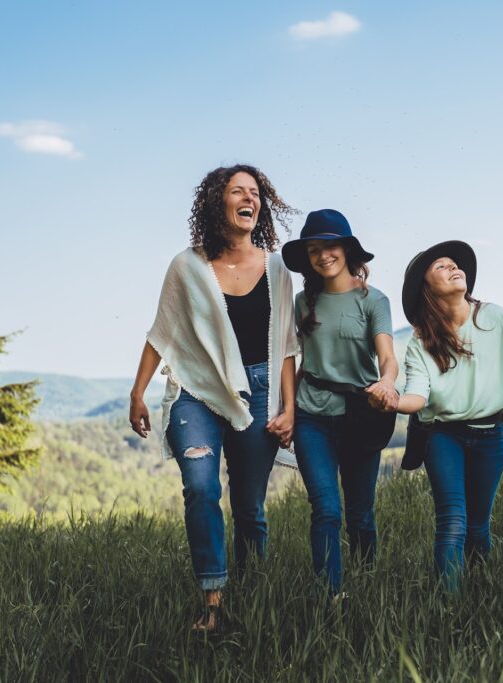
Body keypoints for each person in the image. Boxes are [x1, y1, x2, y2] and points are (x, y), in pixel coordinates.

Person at [128, 164, 300, 632]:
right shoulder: (187, 266)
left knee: (249, 507)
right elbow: (162, 331)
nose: (250, 198)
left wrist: (289, 408)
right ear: (217, 202)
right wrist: (137, 391)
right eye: (237, 191)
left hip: (259, 393)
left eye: (255, 193)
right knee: (202, 488)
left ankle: (256, 596)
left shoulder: (279, 267)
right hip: (196, 391)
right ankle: (214, 603)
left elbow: (287, 345)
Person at [389, 241, 503, 592]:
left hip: (489, 435)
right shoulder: (422, 342)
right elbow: (417, 396)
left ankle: (480, 592)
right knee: (452, 521)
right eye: (441, 267)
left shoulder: (495, 318)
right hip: (443, 436)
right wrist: (392, 401)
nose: (453, 268)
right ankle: (448, 607)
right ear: (427, 288)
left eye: (454, 264)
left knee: (479, 526)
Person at [281, 209, 399, 598]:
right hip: (313, 416)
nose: (322, 255)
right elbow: (292, 359)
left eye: (330, 246)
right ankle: (329, 595)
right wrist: (289, 411)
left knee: (360, 514)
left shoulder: (373, 301)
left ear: (347, 250)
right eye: (313, 249)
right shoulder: (302, 302)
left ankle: (368, 583)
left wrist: (387, 383)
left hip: (361, 414)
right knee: (326, 509)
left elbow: (387, 356)